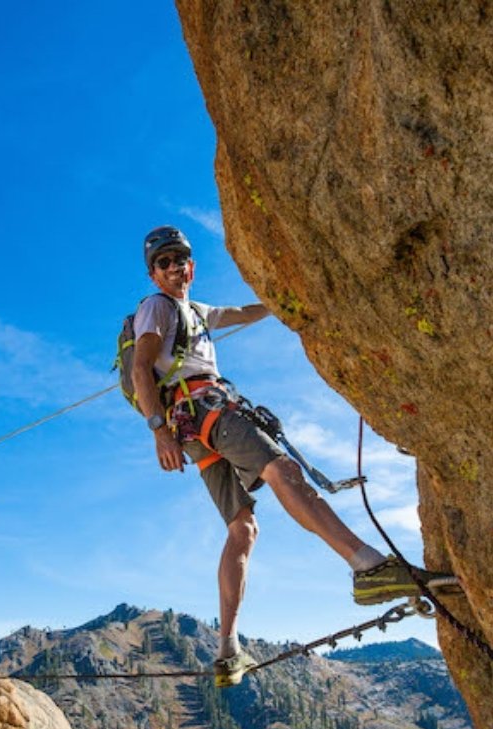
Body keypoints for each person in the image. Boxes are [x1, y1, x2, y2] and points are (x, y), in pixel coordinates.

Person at [132, 226, 439, 687]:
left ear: (191, 266)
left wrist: (287, 303)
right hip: (205, 410)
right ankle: (366, 565)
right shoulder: (156, 307)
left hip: (194, 430)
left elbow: (241, 312)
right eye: (165, 263)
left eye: (181, 259)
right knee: (282, 470)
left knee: (243, 528)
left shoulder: (196, 311)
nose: (174, 267)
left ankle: (228, 650)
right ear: (154, 275)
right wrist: (157, 432)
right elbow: (141, 366)